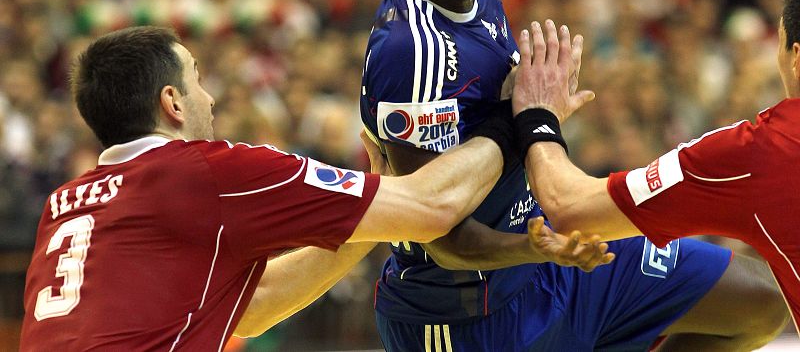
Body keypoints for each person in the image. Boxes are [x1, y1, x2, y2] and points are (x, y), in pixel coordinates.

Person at [360, 0, 787, 351]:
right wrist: (536, 239)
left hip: (549, 255)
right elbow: (438, 233)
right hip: (472, 314)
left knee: (758, 301)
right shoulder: (410, 55)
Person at [19, 26, 609, 350]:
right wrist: (524, 116)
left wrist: (373, 215)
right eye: (198, 80)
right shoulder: (202, 172)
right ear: (171, 102)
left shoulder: (64, 207)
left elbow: (252, 309)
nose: (211, 98)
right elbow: (434, 206)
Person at [513, 0, 800, 337]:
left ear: (796, 57)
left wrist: (536, 115)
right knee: (758, 301)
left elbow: (569, 207)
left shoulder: (753, 155)